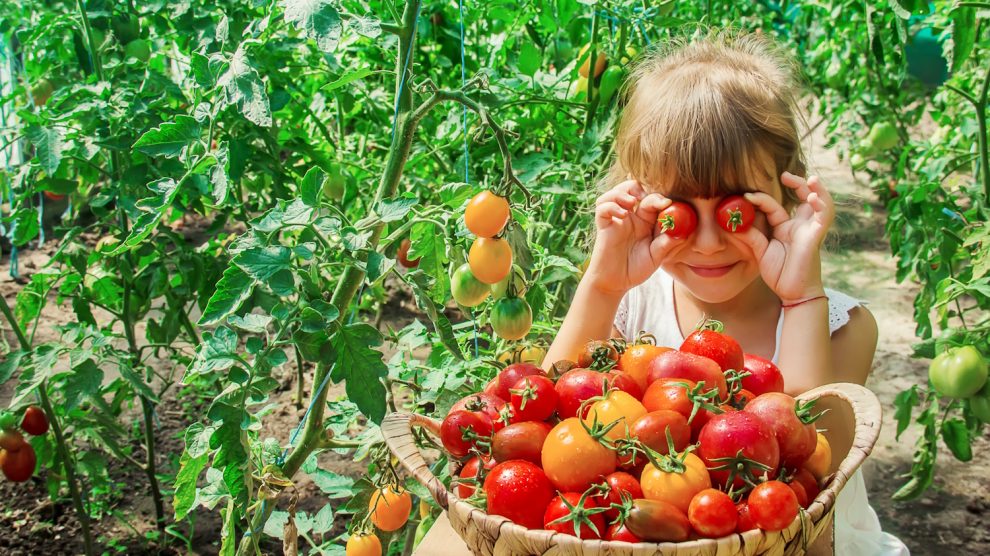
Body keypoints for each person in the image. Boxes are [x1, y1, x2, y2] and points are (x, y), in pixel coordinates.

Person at [544, 31, 909, 555]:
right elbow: (551, 418)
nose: (710, 243)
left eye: (737, 209)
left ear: (787, 192)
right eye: (680, 211)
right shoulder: (628, 306)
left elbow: (802, 478)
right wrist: (602, 284)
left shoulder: (844, 329)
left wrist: (802, 297)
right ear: (640, 201)